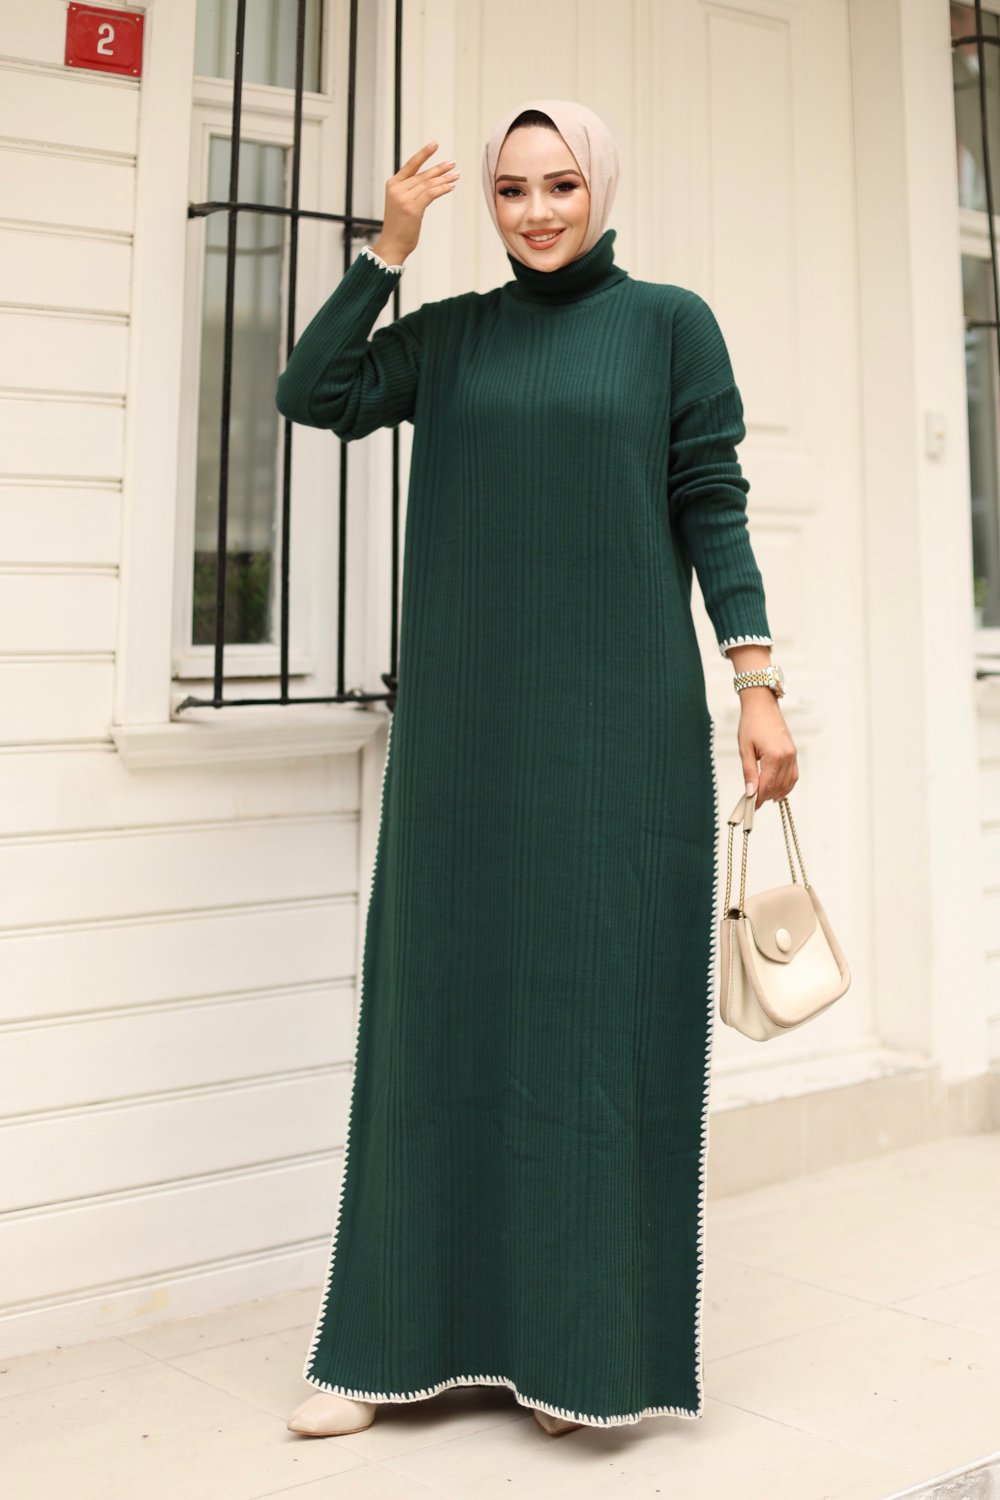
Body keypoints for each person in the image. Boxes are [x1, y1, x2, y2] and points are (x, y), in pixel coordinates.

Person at [277, 98, 798, 1440]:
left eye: (560, 184)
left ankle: (576, 1354)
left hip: (619, 735)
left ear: (599, 188)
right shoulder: (452, 337)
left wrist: (756, 681)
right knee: (436, 1019)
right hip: (468, 740)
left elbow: (712, 501)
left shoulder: (669, 325)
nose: (536, 211)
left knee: (590, 1034)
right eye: (512, 190)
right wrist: (389, 250)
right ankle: (386, 1348)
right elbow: (313, 393)